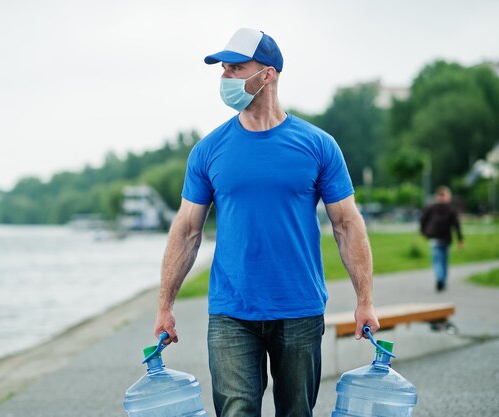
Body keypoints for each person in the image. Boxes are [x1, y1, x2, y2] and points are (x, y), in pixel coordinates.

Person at [153, 28, 380, 417]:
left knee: (296, 412)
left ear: (268, 74)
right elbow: (188, 230)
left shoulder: (318, 145)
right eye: (224, 70)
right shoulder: (208, 151)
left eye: (237, 68)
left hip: (299, 308)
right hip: (231, 312)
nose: (226, 79)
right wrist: (164, 306)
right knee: (237, 410)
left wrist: (365, 301)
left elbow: (347, 224)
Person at [420, 186, 464, 292]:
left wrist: (459, 239)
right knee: (440, 260)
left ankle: (441, 280)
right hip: (438, 238)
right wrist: (424, 232)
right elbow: (423, 220)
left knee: (440, 261)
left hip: (444, 238)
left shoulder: (437, 208)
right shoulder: (445, 209)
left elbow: (456, 225)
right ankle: (441, 280)